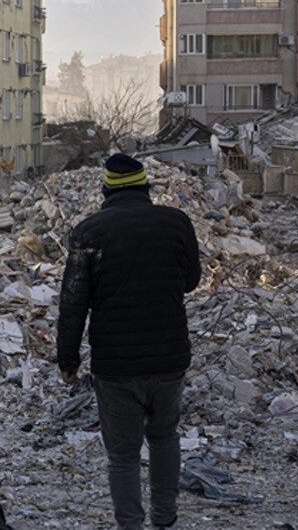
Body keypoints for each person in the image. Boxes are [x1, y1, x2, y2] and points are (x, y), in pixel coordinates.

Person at [57, 153, 201, 530]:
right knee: (164, 437)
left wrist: (67, 360)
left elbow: (73, 302)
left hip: (116, 366)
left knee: (122, 455)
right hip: (170, 357)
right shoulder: (177, 223)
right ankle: (165, 520)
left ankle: (130, 526)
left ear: (106, 190)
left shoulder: (89, 232)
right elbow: (190, 281)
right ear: (145, 187)